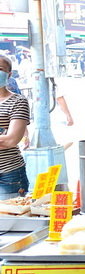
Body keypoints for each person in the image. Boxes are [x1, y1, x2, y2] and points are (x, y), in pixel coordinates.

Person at [0, 55, 30, 199]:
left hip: (8, 174)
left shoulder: (18, 101)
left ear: (9, 74)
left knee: (10, 219)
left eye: (0, 69)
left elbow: (11, 140)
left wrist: (6, 139)